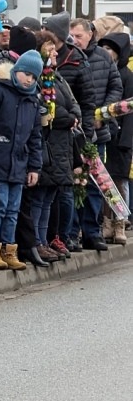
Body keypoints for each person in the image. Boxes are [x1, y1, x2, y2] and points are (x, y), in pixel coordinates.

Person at [0, 50, 44, 270]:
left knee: (12, 209)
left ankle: (9, 249)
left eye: (33, 77)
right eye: (25, 73)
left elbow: (35, 137)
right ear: (16, 71)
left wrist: (35, 166)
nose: (28, 79)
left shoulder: (33, 101)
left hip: (19, 163)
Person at [70, 17, 121, 250]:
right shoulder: (67, 58)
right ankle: (71, 232)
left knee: (94, 184)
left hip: (98, 134)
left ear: (90, 34)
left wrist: (103, 115)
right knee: (73, 182)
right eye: (72, 36)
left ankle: (91, 231)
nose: (75, 40)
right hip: (73, 133)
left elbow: (115, 87)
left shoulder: (103, 57)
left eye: (79, 36)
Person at [33, 40, 82, 262]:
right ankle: (37, 241)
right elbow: (50, 110)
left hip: (62, 145)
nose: (55, 53)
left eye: (55, 48)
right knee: (40, 198)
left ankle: (46, 239)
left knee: (50, 198)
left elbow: (73, 104)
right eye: (49, 49)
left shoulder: (57, 76)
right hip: (48, 144)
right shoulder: (41, 77)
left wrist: (73, 116)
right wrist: (69, 117)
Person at [97, 31, 133, 243]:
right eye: (104, 47)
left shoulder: (127, 76)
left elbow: (129, 111)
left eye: (110, 48)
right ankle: (106, 222)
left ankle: (120, 221)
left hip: (120, 138)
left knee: (118, 181)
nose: (106, 52)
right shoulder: (104, 73)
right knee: (103, 181)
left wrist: (126, 140)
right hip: (104, 135)